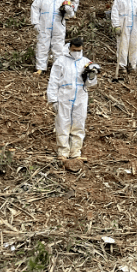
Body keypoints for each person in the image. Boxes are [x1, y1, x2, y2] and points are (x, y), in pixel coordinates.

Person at [46, 36, 99, 172]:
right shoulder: (61, 61)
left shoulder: (86, 62)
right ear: (69, 48)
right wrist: (53, 99)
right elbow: (53, 81)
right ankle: (63, 152)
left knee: (79, 124)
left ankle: (76, 152)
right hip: (64, 96)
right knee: (63, 124)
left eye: (79, 50)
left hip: (81, 96)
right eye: (74, 50)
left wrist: (91, 76)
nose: (76, 52)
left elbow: (90, 84)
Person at [31, 0, 73, 74]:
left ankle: (57, 69)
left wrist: (68, 10)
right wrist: (35, 23)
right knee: (42, 45)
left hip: (58, 26)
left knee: (58, 47)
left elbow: (71, 14)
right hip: (44, 25)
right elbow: (35, 8)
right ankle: (40, 68)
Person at [111, 0, 137, 78]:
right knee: (122, 45)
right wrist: (116, 25)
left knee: (134, 45)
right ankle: (122, 65)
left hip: (135, 25)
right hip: (123, 24)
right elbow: (114, 13)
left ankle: (132, 65)